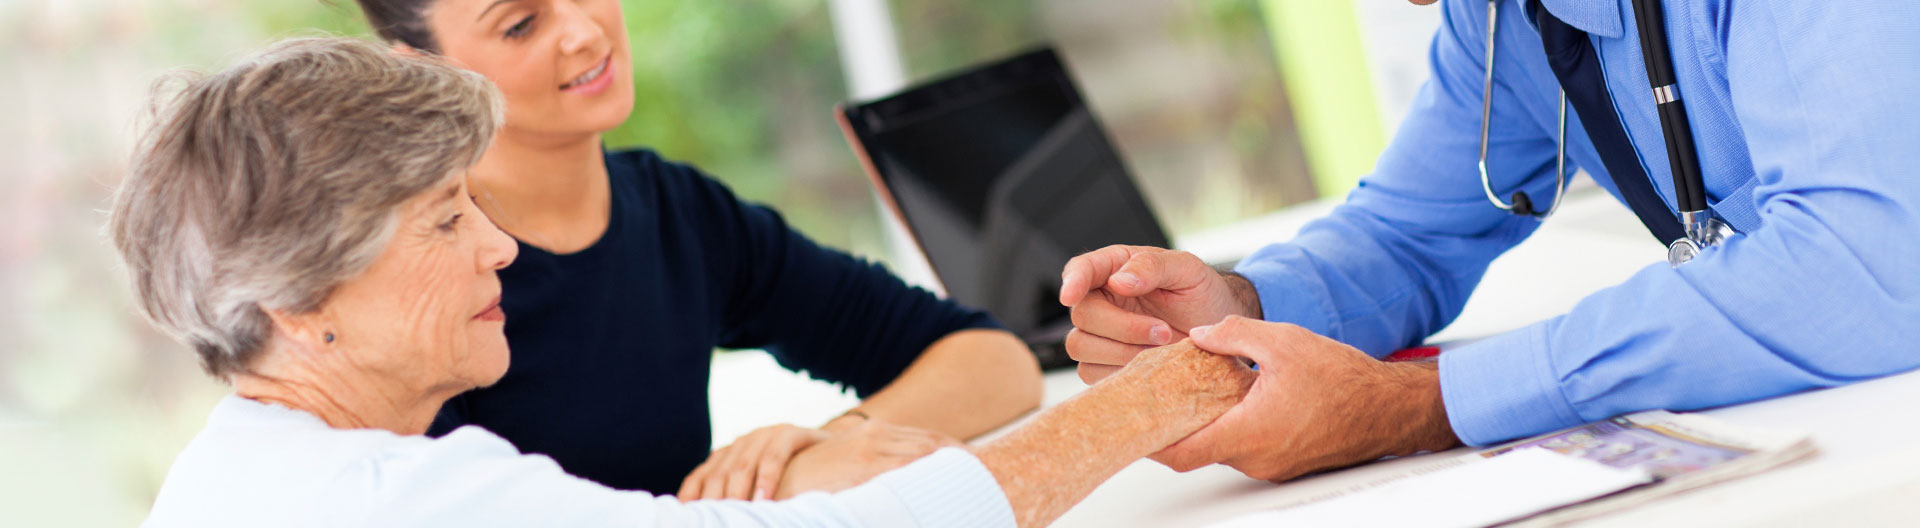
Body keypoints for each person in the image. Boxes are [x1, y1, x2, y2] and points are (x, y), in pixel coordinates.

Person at [122, 37, 1252, 528]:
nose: (501, 248)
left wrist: (833, 444)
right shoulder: (400, 498)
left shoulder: (256, 467)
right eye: (446, 220)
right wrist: (1177, 388)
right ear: (301, 305)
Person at [1062, 0, 1920, 482]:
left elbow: (1854, 267)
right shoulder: (1503, 15)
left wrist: (1423, 407)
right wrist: (1242, 312)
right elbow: (1412, 232)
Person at [338, 0, 1044, 500]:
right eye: (521, 23)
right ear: (422, 66)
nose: (585, 31)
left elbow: (996, 362)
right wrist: (762, 496)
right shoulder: (414, 278)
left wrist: (822, 445)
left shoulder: (678, 211)